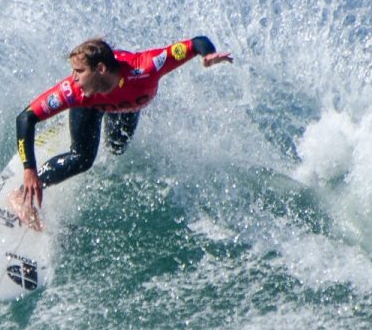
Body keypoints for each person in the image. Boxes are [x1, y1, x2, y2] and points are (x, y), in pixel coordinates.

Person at [12, 34, 232, 227]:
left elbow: (196, 43)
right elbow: (26, 118)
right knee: (82, 158)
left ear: (100, 69)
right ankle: (22, 196)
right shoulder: (75, 91)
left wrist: (208, 55)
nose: (74, 78)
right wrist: (29, 170)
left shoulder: (147, 66)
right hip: (91, 105)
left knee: (117, 147)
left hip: (126, 105)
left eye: (79, 71)